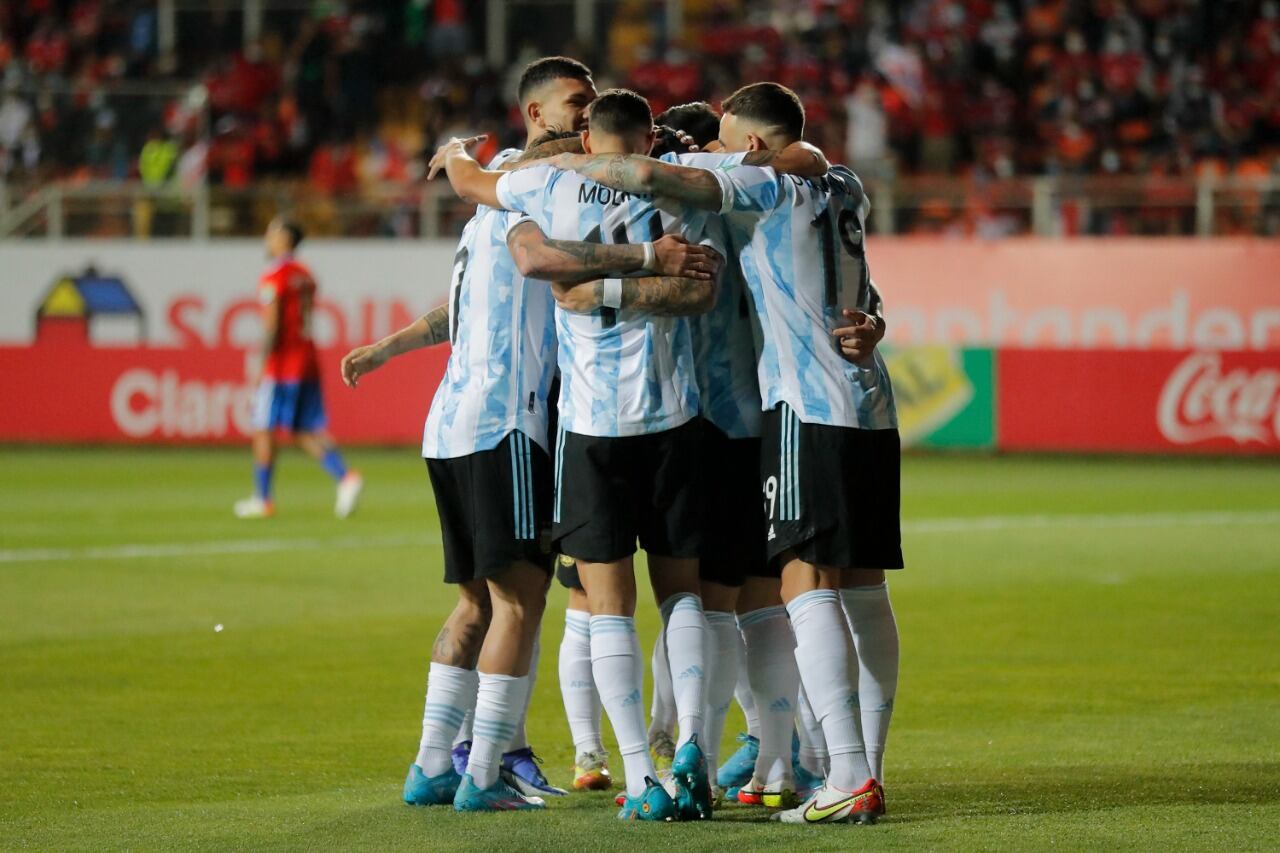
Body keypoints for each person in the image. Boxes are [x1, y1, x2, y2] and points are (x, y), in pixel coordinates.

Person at [344, 59, 719, 815]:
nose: (582, 122)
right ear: (537, 113)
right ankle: (488, 766)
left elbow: (471, 290)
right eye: (571, 108)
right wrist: (647, 257)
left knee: (479, 605)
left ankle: (432, 764)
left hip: (452, 425)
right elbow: (539, 263)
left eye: (589, 110)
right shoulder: (541, 183)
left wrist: (388, 346)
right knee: (526, 600)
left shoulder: (502, 190)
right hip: (513, 421)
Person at [543, 81, 902, 825]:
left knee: (769, 591)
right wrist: (876, 321)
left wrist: (548, 170)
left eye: (733, 141)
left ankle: (804, 764)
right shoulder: (845, 185)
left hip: (762, 411)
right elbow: (853, 272)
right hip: (861, 403)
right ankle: (811, 760)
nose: (724, 151)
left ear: (755, 146)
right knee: (840, 592)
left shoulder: (747, 189)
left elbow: (646, 176)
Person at [234, 217, 363, 520]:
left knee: (263, 427)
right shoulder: (305, 274)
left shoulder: (274, 276)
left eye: (271, 232)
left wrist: (260, 364)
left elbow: (272, 324)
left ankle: (263, 499)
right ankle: (345, 477)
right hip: (307, 359)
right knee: (302, 427)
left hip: (282, 364)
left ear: (285, 239)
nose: (267, 238)